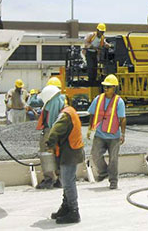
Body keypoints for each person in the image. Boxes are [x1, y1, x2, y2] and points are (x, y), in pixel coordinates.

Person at [45, 89, 85, 224]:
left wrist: (50, 145)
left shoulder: (65, 115)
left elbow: (54, 132)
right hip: (70, 151)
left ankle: (74, 212)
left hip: (70, 152)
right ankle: (66, 207)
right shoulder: (69, 111)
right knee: (66, 181)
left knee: (68, 182)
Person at [87, 74, 126, 189]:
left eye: (108, 87)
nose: (106, 89)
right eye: (105, 86)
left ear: (114, 88)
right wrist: (90, 128)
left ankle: (113, 181)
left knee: (113, 160)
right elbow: (92, 114)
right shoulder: (98, 99)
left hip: (114, 136)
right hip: (100, 134)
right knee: (95, 155)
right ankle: (103, 172)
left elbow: (122, 119)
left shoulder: (119, 102)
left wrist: (123, 134)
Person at [36, 77, 66, 190]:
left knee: (46, 153)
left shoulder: (53, 100)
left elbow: (52, 119)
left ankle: (49, 179)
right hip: (60, 131)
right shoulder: (61, 98)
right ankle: (61, 179)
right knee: (58, 153)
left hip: (51, 131)